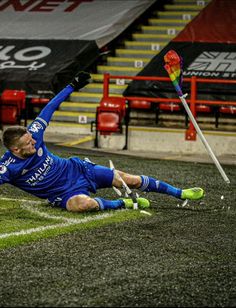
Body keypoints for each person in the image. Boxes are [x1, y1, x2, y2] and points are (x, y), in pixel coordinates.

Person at [0, 72, 204, 213]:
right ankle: (123, 203)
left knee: (128, 179)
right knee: (82, 205)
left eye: (32, 139)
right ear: (15, 149)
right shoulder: (6, 168)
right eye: (28, 144)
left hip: (78, 169)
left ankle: (180, 193)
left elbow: (50, 107)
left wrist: (72, 86)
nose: (34, 143)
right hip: (63, 193)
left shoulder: (34, 133)